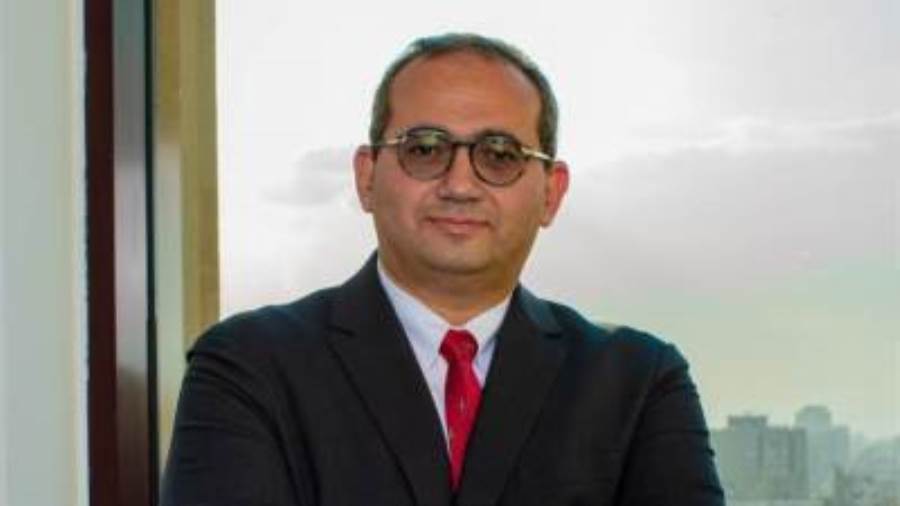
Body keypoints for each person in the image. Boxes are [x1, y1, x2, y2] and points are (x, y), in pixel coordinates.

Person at [161, 33, 725, 506]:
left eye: (500, 155)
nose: (459, 184)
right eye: (425, 149)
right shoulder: (248, 367)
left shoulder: (638, 382)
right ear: (367, 176)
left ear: (551, 193)